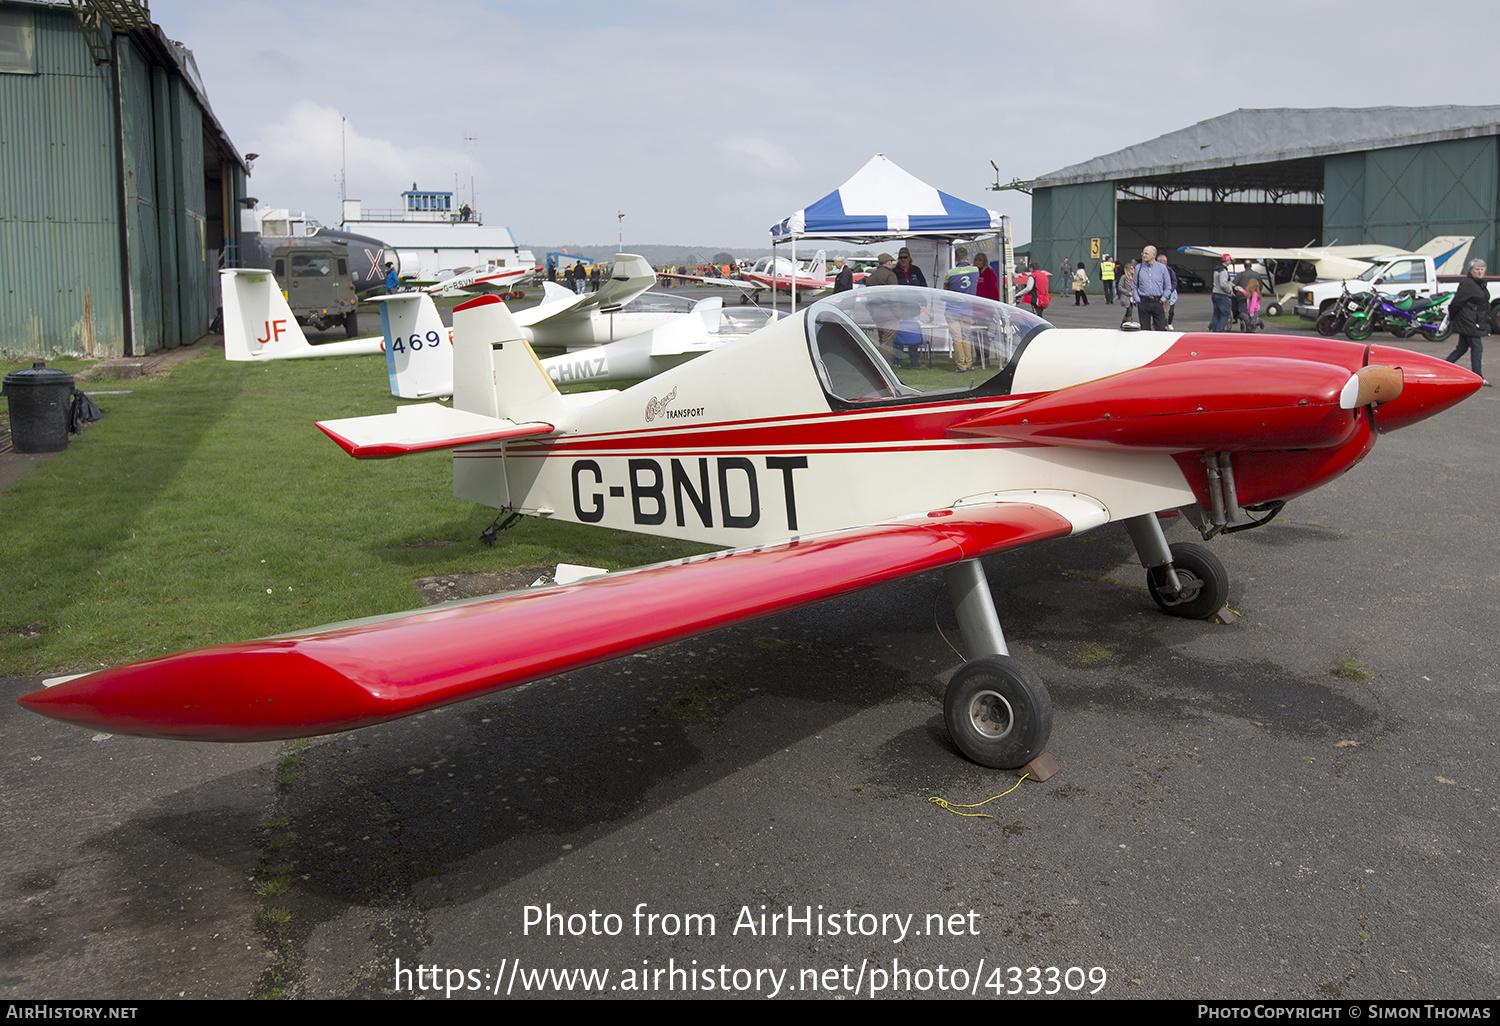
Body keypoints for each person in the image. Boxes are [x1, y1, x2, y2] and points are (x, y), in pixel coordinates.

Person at [1445, 258, 1492, 386]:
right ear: (1471, 270)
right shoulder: (1467, 283)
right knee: (1477, 348)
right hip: (1468, 321)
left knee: (1461, 348)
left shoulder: (1480, 283)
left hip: (1474, 321)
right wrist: (1452, 317)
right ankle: (1478, 377)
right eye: (1477, 269)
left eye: (1482, 269)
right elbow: (1456, 303)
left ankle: (1443, 368)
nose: (1480, 271)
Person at [945, 247, 979, 373]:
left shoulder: (950, 273)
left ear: (955, 259)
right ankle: (969, 364)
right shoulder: (975, 270)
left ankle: (961, 365)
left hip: (952, 310)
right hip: (967, 309)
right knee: (966, 338)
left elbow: (946, 288)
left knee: (957, 339)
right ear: (968, 257)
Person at [1132, 245, 1175, 330]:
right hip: (1143, 301)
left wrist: (1163, 299)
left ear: (1153, 255)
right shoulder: (1138, 268)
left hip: (1157, 302)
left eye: (1146, 253)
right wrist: (1137, 299)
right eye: (1143, 253)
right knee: (1145, 330)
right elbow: (1134, 286)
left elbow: (1168, 286)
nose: (1143, 255)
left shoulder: (1162, 268)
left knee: (1160, 329)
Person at [1209, 253, 1235, 332]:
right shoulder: (1223, 271)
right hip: (1222, 295)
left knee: (1216, 314)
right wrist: (1230, 291)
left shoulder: (1216, 269)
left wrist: (1233, 285)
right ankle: (1220, 331)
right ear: (1226, 260)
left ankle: (1213, 330)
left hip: (1215, 294)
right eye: (1229, 260)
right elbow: (1223, 284)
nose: (1230, 261)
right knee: (1225, 314)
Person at [1157, 255, 1180, 328]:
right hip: (1157, 294)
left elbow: (1174, 281)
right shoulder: (1154, 270)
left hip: (1168, 295)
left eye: (1166, 261)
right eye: (1163, 261)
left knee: (1168, 311)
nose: (1165, 263)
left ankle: (1166, 324)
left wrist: (1169, 290)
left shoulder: (1170, 271)